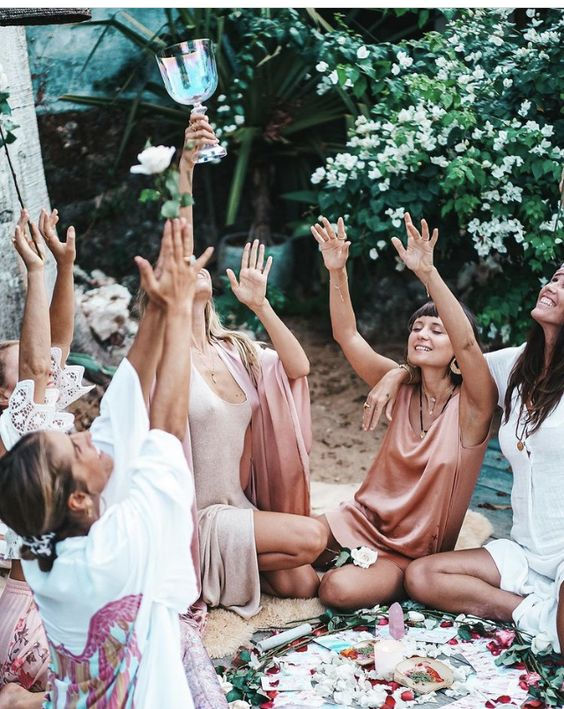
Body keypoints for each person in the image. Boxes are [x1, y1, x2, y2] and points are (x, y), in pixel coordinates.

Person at [0, 219, 220, 708]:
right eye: (77, 447)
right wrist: (179, 312)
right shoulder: (116, 550)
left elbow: (122, 403)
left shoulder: (43, 549)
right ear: (79, 499)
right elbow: (165, 428)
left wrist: (156, 307)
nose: (86, 435)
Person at [174, 115, 325, 619]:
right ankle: (199, 566)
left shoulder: (234, 351)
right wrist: (186, 166)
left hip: (239, 507)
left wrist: (261, 306)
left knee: (303, 583)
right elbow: (178, 233)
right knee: (312, 537)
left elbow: (298, 366)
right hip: (199, 519)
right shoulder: (168, 361)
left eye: (198, 263)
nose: (195, 265)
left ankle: (222, 570)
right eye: (184, 265)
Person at [309, 213, 495, 609]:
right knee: (290, 549)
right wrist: (337, 271)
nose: (422, 333)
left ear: (456, 353)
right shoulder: (403, 385)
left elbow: (468, 344)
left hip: (410, 552)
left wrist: (428, 273)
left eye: (437, 330)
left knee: (336, 589)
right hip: (360, 519)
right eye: (417, 327)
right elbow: (348, 336)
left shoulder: (473, 407)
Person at [390, 262, 564, 655]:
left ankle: (549, 616)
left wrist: (429, 273)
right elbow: (455, 356)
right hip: (525, 552)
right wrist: (396, 373)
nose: (552, 286)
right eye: (554, 278)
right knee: (423, 576)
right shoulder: (516, 364)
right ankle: (529, 612)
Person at [0, 209, 92, 696]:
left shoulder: (40, 421)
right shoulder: (18, 427)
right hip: (34, 627)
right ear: (5, 394)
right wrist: (36, 271)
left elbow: (57, 345)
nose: (39, 364)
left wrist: (65, 266)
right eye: (17, 360)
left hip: (30, 609)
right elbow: (38, 366)